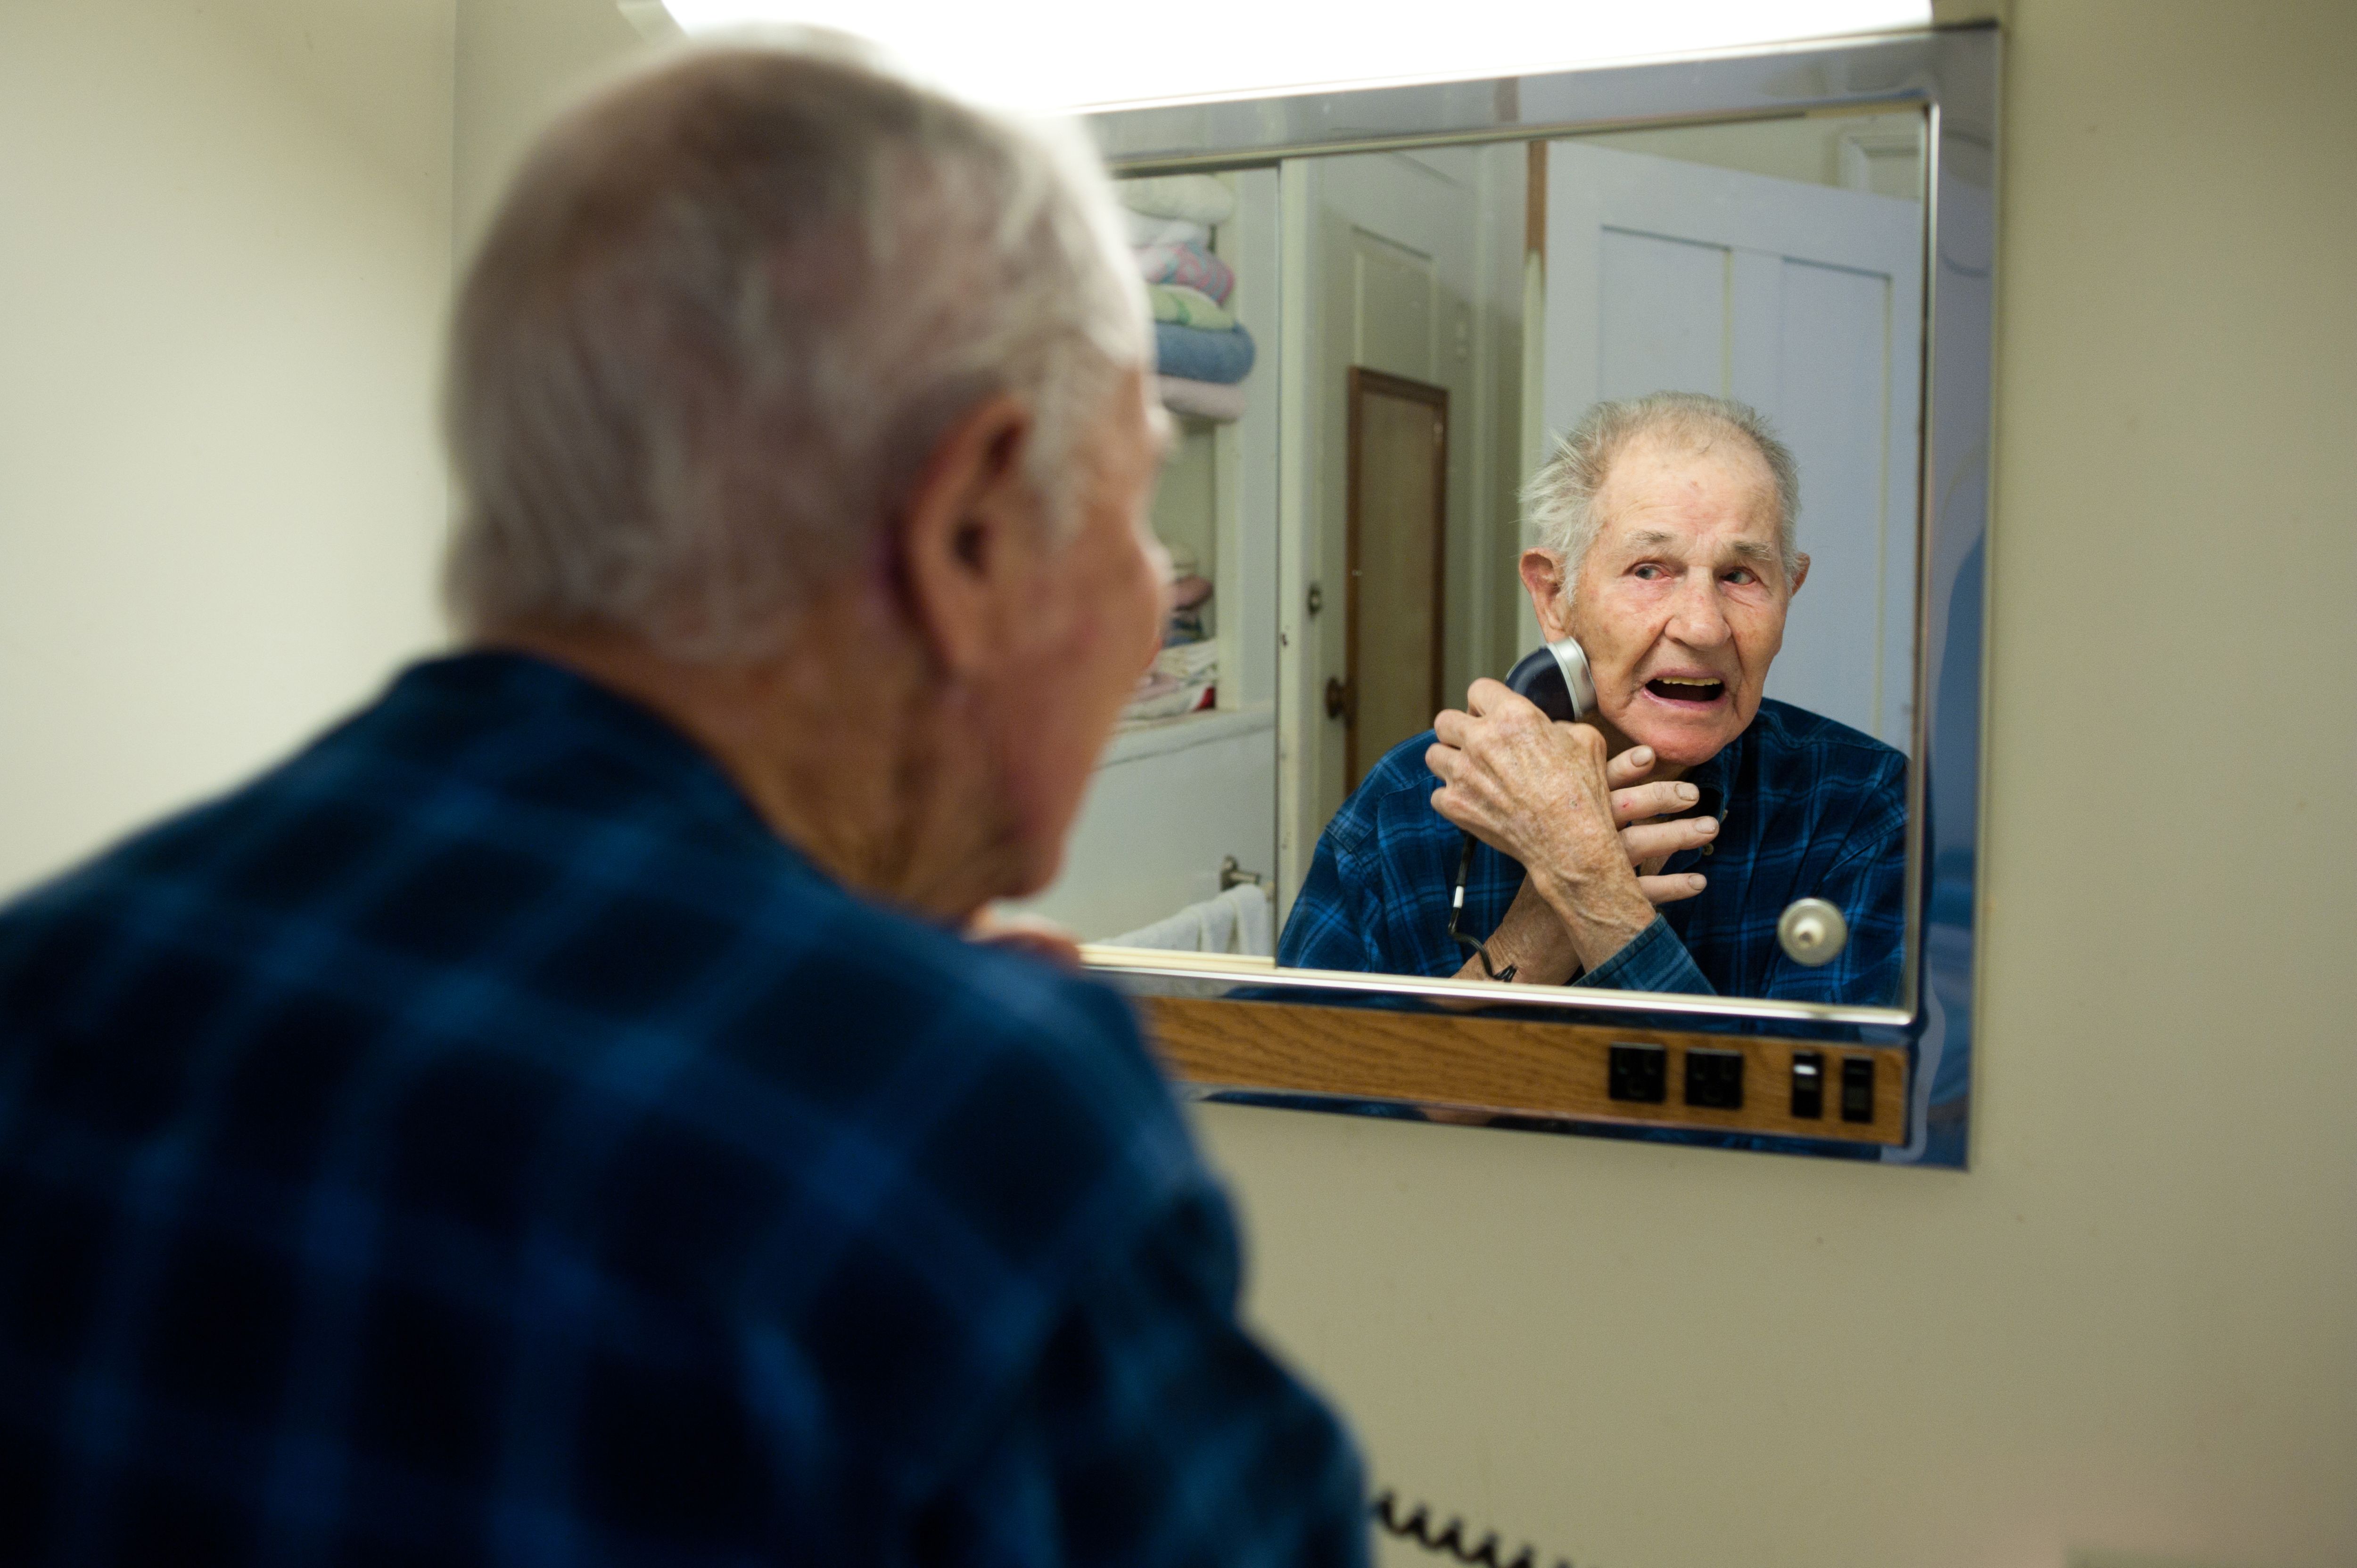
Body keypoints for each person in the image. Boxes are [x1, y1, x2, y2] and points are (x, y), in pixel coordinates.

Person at [0, 39, 1366, 1566]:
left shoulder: (47, 987)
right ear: (972, 531)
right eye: (1137, 507)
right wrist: (976, 1111)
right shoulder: (953, 1145)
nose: (1155, 589)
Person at [1278, 392, 1906, 1006]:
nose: (1703, 626)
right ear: (1554, 596)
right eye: (1649, 570)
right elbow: (1292, 1071)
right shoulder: (1408, 804)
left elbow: (1818, 1082)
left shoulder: (1861, 806)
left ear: (1789, 591)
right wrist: (1544, 927)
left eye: (1740, 576)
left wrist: (1591, 887)